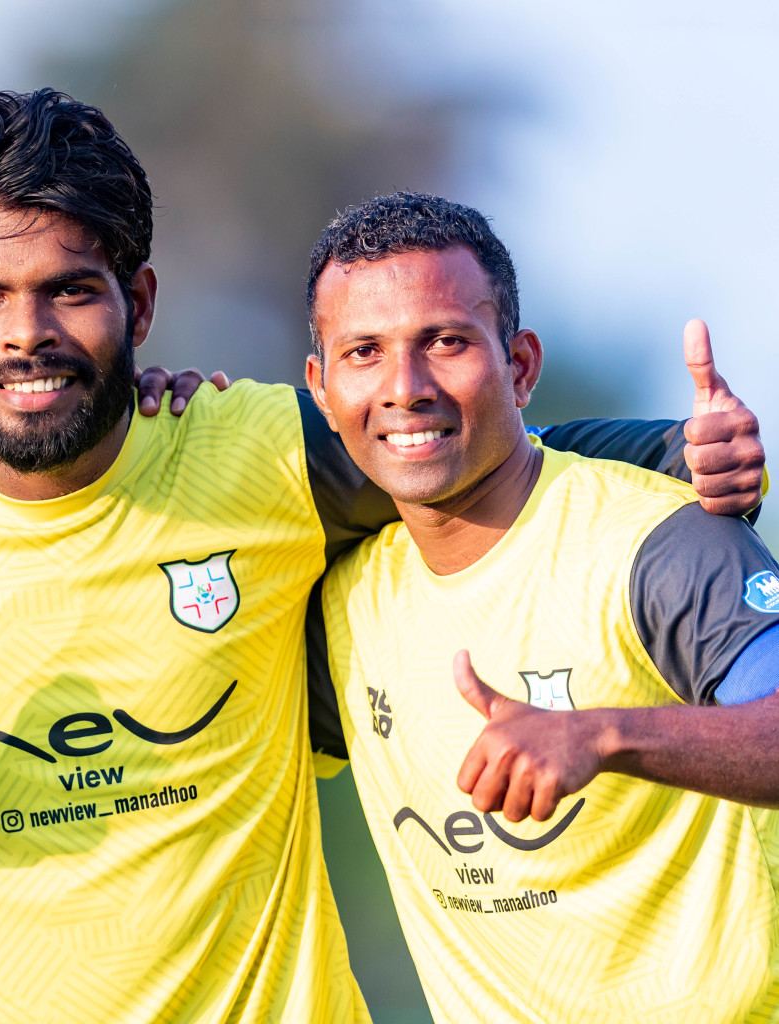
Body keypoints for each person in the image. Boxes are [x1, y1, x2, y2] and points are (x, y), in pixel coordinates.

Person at [0, 88, 766, 1022]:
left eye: (68, 290)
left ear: (138, 306)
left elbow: (465, 454)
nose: (25, 333)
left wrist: (669, 451)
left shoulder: (262, 454)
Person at [311, 193, 779, 1022]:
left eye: (445, 342)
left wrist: (600, 735)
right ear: (320, 386)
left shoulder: (661, 542)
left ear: (520, 365)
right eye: (364, 352)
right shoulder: (342, 602)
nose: (405, 387)